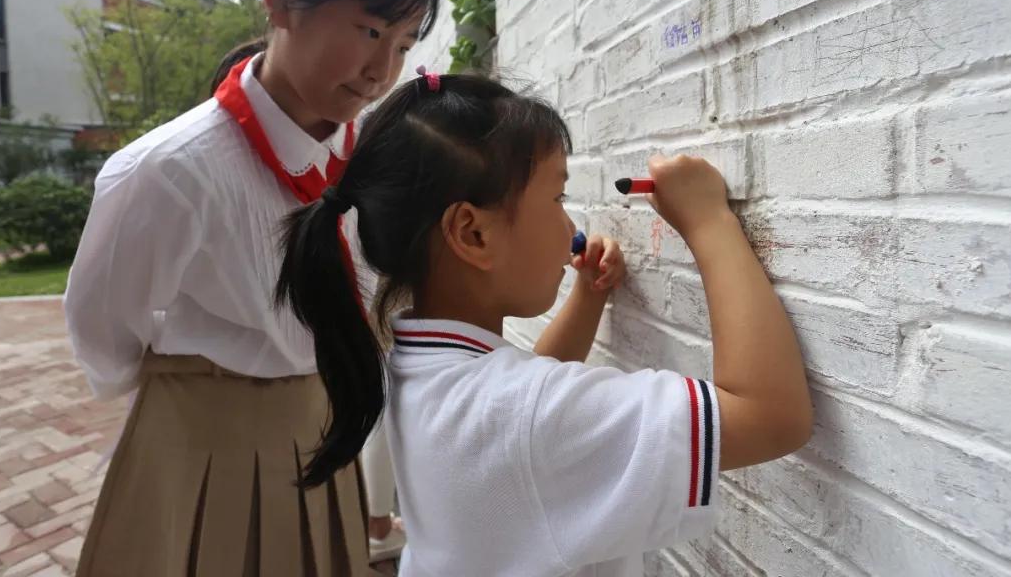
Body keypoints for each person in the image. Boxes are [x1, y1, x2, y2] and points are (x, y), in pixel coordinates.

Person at [275, 72, 814, 576]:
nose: (570, 227)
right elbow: (772, 417)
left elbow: (522, 404)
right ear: (473, 234)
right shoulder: (519, 415)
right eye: (557, 198)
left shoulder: (415, 360)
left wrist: (587, 296)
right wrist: (708, 220)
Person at [64, 0, 436, 576]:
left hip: (324, 426)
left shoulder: (374, 158)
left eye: (404, 45)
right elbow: (101, 334)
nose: (383, 70)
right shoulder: (170, 171)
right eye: (370, 28)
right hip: (199, 440)